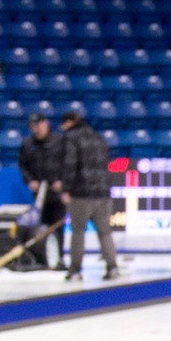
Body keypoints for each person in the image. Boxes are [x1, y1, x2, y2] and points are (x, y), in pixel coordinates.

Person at [52, 109, 117, 283]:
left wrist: (66, 189)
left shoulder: (71, 138)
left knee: (78, 232)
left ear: (68, 123)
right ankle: (112, 267)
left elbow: (70, 164)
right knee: (105, 232)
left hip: (81, 194)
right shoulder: (98, 137)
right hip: (103, 193)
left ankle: (75, 270)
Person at [16, 113, 65, 268]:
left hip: (56, 192)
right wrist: (30, 181)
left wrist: (62, 181)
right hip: (38, 193)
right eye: (32, 126)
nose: (36, 129)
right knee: (38, 226)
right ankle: (42, 257)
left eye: (38, 125)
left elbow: (68, 163)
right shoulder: (27, 144)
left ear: (46, 124)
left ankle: (59, 258)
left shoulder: (59, 142)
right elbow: (23, 166)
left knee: (56, 224)